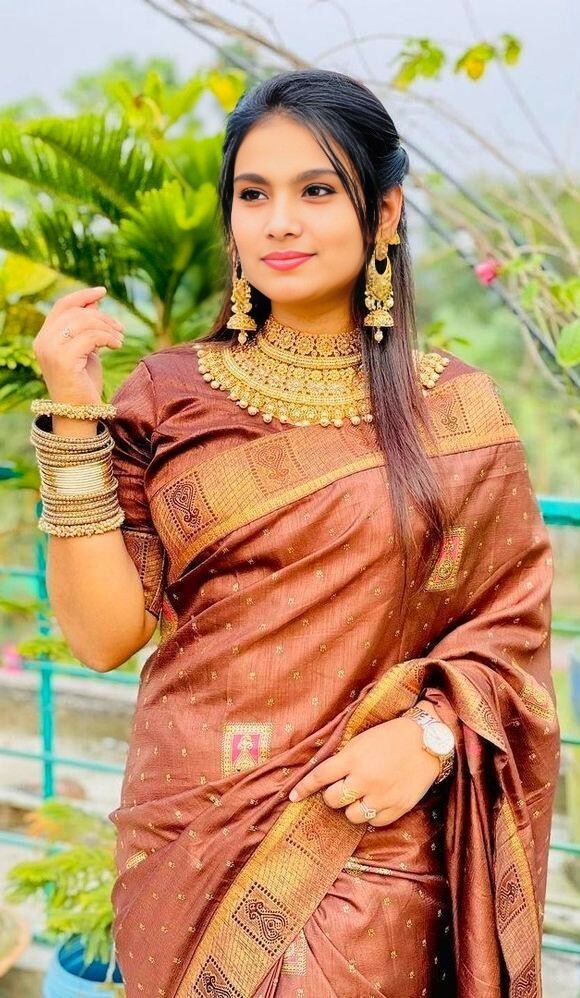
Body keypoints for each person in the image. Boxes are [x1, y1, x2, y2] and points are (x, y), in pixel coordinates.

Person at [29, 69, 560, 998]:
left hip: (372, 840)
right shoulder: (166, 394)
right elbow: (103, 636)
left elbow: (509, 633)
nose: (279, 222)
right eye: (253, 194)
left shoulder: (458, 413)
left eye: (316, 191)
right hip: (188, 836)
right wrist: (73, 418)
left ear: (384, 211)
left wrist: (431, 737)